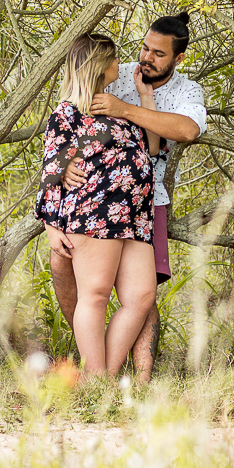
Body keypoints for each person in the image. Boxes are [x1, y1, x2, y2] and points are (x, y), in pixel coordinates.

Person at [52, 12, 207, 382]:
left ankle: (117, 378)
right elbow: (59, 150)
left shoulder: (175, 92)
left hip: (141, 207)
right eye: (143, 49)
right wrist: (53, 209)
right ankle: (95, 375)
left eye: (158, 54)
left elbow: (171, 139)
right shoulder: (98, 88)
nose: (144, 58)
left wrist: (137, 102)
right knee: (91, 289)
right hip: (98, 206)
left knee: (140, 295)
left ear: (178, 58)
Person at [34, 33, 160, 377]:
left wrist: (146, 97)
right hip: (95, 215)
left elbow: (151, 147)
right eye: (115, 58)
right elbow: (50, 172)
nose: (121, 63)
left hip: (134, 218)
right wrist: (50, 227)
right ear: (99, 65)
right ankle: (97, 382)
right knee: (96, 294)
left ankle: (100, 379)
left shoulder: (116, 107)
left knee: (141, 296)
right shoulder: (67, 113)